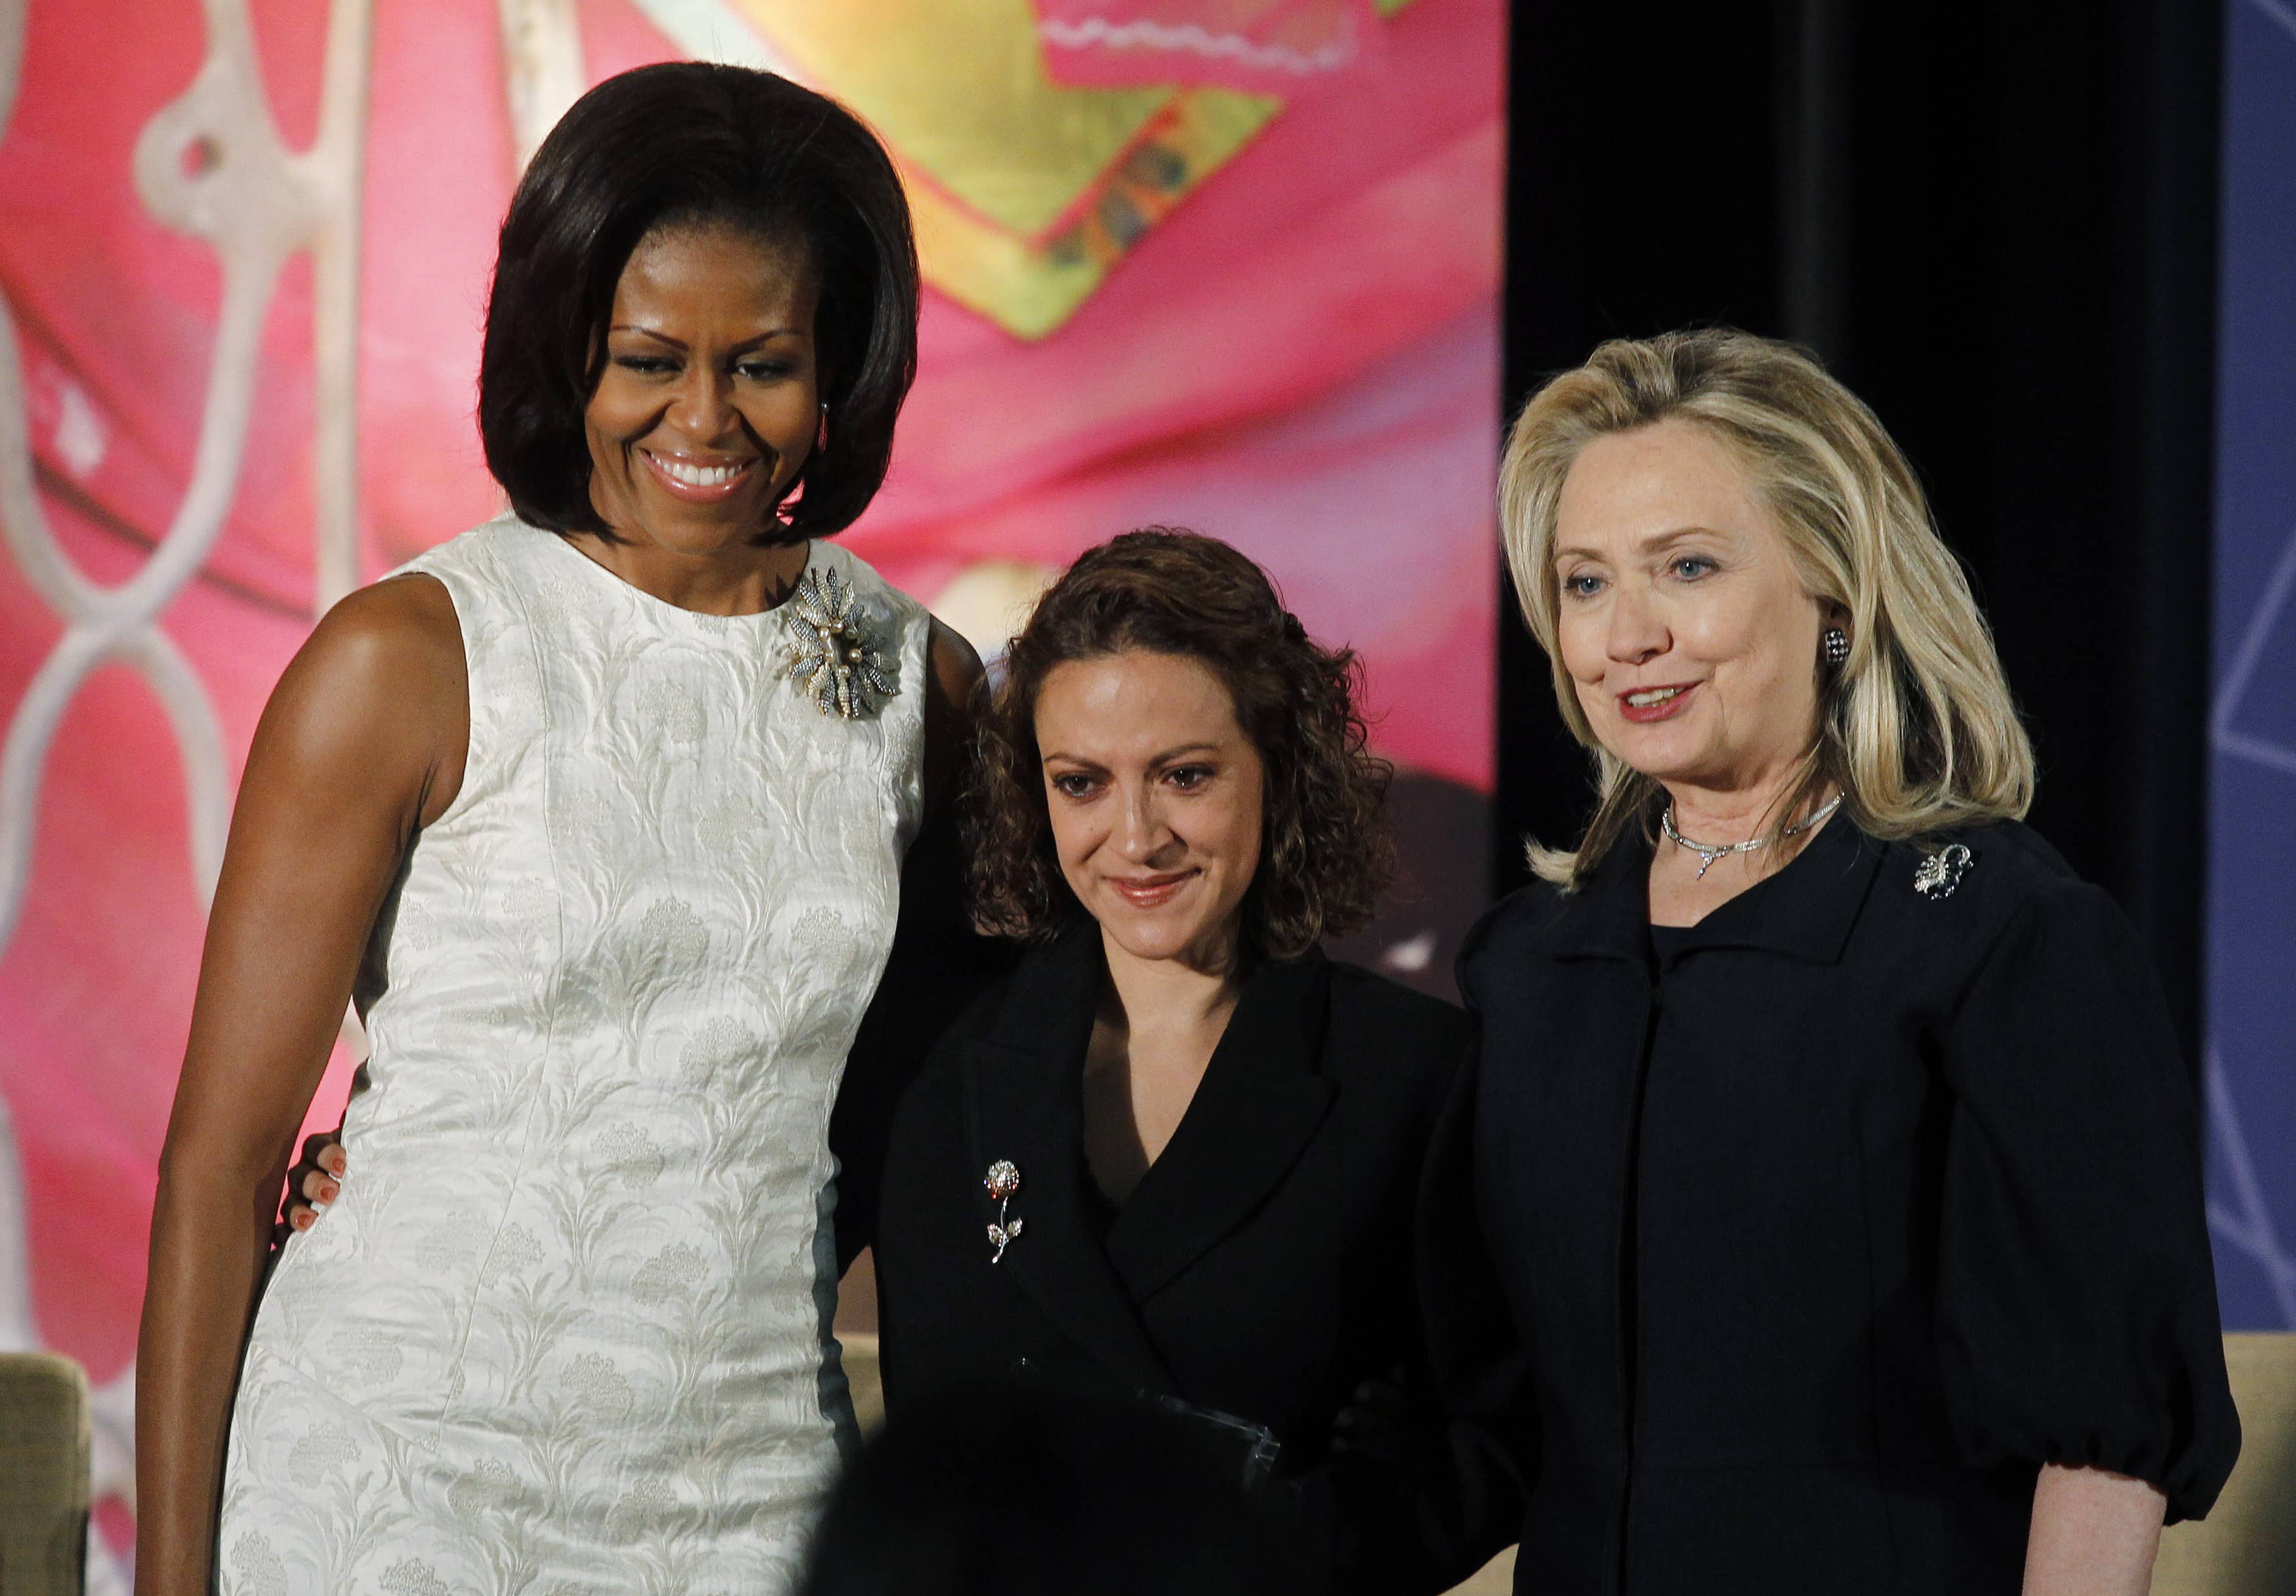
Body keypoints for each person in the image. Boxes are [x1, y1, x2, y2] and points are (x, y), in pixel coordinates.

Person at [136, 61, 979, 1595]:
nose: (705, 420)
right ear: (562, 350)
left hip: (749, 1484)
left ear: (843, 367)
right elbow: (219, 1164)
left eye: (766, 364)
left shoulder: (923, 684)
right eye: (648, 358)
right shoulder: (406, 656)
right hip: (389, 1475)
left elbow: (943, 1125)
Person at [1451, 327, 2240, 1593]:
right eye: (1585, 582)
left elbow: (2103, 1432)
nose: (1627, 635)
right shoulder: (1528, 966)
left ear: (1833, 579)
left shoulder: (2001, 934)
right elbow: (1473, 1414)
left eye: (1687, 567)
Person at [869, 529, 1520, 1595]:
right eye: (1082, 782)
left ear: (1281, 769)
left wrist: (1295, 1540)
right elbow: (929, 1467)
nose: (1135, 836)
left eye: (1184, 775)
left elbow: (1490, 1442)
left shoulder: (1414, 1076)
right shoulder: (958, 1076)